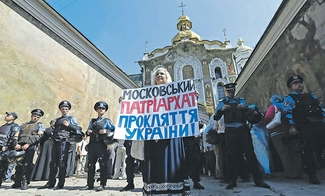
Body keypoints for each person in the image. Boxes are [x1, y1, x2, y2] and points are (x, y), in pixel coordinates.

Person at [142, 67, 190, 195]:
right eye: (157, 74)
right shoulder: (148, 94)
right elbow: (138, 109)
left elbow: (184, 108)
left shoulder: (176, 92)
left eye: (162, 73)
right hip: (153, 134)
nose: (159, 75)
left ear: (167, 76)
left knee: (171, 160)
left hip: (171, 133)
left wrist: (192, 97)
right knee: (156, 160)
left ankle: (174, 188)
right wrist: (125, 102)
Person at [214, 83, 270, 189]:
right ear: (226, 92)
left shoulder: (241, 101)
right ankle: (232, 181)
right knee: (230, 156)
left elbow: (249, 113)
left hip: (242, 130)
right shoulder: (222, 103)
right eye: (229, 91)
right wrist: (222, 110)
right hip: (230, 132)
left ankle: (258, 180)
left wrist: (244, 108)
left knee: (250, 154)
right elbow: (216, 117)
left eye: (232, 91)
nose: (231, 93)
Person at [283, 75, 325, 184]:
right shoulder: (290, 98)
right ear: (291, 87)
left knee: (322, 147)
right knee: (309, 150)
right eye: (296, 83)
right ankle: (312, 175)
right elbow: (288, 112)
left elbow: (320, 108)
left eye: (300, 82)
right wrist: (291, 126)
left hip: (319, 124)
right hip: (305, 126)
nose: (299, 85)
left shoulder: (311, 96)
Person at [39, 100, 82, 190]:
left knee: (62, 163)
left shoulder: (71, 119)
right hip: (56, 142)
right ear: (60, 109)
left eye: (66, 109)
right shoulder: (57, 120)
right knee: (53, 163)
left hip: (65, 142)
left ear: (68, 110)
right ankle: (51, 182)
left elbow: (78, 129)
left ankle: (60, 183)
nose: (64, 110)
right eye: (63, 109)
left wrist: (69, 125)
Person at [264, 94, 303, 179]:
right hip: (288, 131)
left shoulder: (273, 107)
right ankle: (299, 172)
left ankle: (291, 174)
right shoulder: (285, 105)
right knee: (294, 152)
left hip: (276, 133)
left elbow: (267, 118)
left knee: (285, 154)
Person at [81, 101, 115, 192]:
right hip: (92, 144)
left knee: (103, 165)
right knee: (90, 165)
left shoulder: (107, 121)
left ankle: (102, 184)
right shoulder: (93, 121)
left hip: (101, 145)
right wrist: (87, 132)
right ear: (96, 110)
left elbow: (114, 130)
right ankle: (89, 184)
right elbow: (87, 130)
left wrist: (106, 132)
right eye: (99, 108)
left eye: (103, 109)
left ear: (105, 110)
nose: (101, 110)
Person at [11, 109, 45, 190]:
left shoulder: (40, 125)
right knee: (19, 164)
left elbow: (39, 136)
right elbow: (16, 135)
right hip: (20, 145)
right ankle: (17, 181)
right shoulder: (23, 125)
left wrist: (29, 144)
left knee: (27, 164)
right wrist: (16, 143)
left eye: (37, 117)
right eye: (34, 116)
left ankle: (25, 181)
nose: (35, 118)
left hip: (30, 146)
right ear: (31, 116)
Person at [0, 112, 19, 187]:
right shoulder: (3, 126)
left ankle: (7, 178)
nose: (6, 116)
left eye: (8, 115)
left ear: (13, 118)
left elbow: (13, 137)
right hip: (1, 147)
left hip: (7, 149)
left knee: (8, 164)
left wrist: (7, 146)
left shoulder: (14, 126)